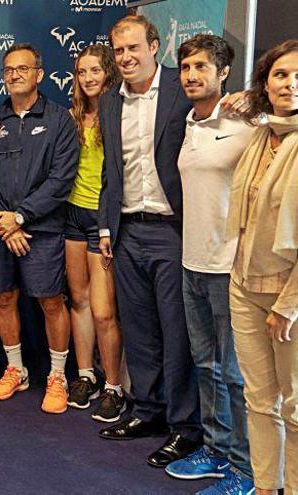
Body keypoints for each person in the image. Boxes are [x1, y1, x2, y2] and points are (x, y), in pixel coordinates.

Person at [95, 14, 203, 467]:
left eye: (133, 48)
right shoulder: (109, 102)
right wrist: (104, 226)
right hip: (126, 231)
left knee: (177, 334)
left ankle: (185, 427)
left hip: (172, 231)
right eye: (118, 50)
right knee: (139, 330)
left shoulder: (184, 87)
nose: (125, 58)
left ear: (155, 47)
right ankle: (148, 411)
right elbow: (111, 170)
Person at [164, 34, 256, 494]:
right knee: (207, 366)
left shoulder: (248, 120)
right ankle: (218, 450)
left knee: (237, 375)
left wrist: (257, 97)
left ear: (223, 73)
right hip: (192, 262)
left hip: (232, 269)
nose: (192, 75)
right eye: (185, 67)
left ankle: (246, 469)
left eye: (202, 67)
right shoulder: (188, 123)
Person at [0, 43, 79, 414]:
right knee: (2, 298)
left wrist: (21, 217)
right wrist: (6, 221)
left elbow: (61, 179)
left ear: (39, 74)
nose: (14, 75)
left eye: (23, 68)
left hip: (42, 230)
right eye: (8, 70)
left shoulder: (60, 120)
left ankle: (58, 375)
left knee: (51, 301)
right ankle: (16, 369)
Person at [227, 39, 298, 495]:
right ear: (265, 84)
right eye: (281, 74)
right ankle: (265, 487)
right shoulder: (261, 134)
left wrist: (288, 305)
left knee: (295, 407)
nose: (291, 84)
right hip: (243, 284)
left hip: (289, 298)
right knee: (258, 401)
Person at [63, 44, 126, 422]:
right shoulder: (73, 114)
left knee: (104, 311)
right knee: (79, 300)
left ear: (108, 73)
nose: (88, 78)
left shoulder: (119, 113)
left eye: (95, 71)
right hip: (72, 215)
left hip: (104, 219)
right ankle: (86, 374)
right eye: (82, 72)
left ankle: (115, 386)